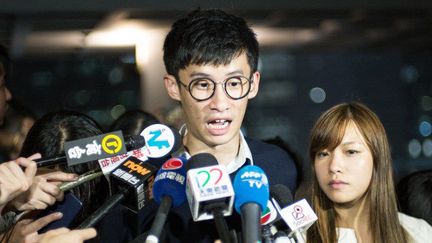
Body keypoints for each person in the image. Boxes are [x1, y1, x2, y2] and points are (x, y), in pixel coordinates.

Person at [160, 9, 297, 242]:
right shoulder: (153, 178)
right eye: (202, 84)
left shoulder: (278, 166)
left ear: (253, 84)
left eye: (234, 83)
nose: (220, 103)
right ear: (174, 87)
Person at [306, 102, 432, 243]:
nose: (334, 166)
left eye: (351, 152)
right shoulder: (298, 238)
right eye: (323, 154)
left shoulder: (419, 233)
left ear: (377, 158)